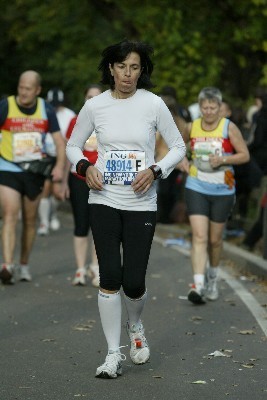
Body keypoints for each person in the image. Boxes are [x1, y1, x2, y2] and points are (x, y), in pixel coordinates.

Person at [66, 39, 186, 378]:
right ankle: (111, 355)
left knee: (133, 282)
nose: (127, 74)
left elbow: (178, 146)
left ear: (141, 71)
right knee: (109, 277)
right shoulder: (95, 106)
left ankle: (135, 328)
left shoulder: (153, 104)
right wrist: (84, 168)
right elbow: (74, 146)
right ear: (110, 69)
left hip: (141, 203)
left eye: (134, 68)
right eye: (122, 67)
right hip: (103, 199)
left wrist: (156, 170)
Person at [179, 87, 250, 304]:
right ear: (199, 108)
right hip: (196, 185)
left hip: (223, 189)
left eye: (213, 107)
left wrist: (224, 160)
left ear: (220, 108)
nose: (209, 112)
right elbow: (179, 147)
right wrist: (182, 159)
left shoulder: (229, 128)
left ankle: (212, 278)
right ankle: (198, 285)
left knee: (214, 239)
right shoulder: (192, 127)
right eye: (205, 107)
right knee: (199, 236)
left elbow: (244, 155)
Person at [0, 70, 65, 284]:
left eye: (28, 89)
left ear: (37, 90)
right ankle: (7, 265)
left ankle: (24, 264)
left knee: (30, 220)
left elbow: (59, 143)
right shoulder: (5, 105)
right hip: (8, 166)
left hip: (35, 172)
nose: (23, 92)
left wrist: (58, 167)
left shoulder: (45, 109)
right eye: (21, 87)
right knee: (10, 214)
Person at [64, 84, 102, 287]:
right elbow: (68, 150)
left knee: (98, 226)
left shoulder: (108, 120)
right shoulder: (74, 121)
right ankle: (80, 269)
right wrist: (60, 181)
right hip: (78, 178)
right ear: (84, 99)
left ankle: (95, 268)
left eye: (96, 97)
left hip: (101, 179)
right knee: (81, 224)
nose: (92, 101)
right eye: (89, 97)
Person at [37, 88, 76, 235]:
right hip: (45, 155)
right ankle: (43, 222)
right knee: (45, 188)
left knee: (57, 191)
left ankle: (52, 215)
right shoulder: (43, 111)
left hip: (63, 156)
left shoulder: (69, 115)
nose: (55, 106)